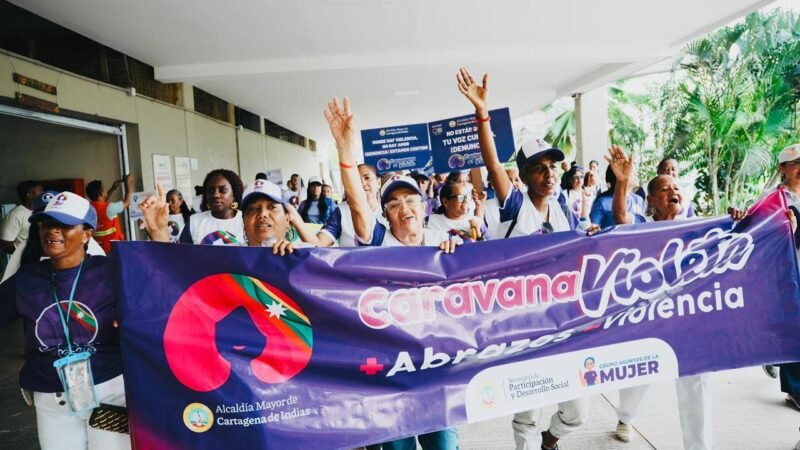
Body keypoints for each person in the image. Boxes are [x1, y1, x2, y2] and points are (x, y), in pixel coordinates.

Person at [457, 66, 591, 450]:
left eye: (553, 167)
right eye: (539, 168)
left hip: (565, 320)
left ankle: (552, 439)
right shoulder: (515, 205)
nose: (549, 174)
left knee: (578, 412)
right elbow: (493, 164)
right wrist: (483, 113)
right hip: (523, 324)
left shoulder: (564, 206)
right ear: (525, 174)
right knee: (527, 413)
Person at [325, 96, 459, 449]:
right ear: (385, 214)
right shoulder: (378, 241)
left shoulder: (441, 240)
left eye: (411, 200)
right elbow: (356, 203)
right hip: (391, 367)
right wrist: (346, 151)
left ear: (425, 205)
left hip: (438, 368)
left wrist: (456, 256)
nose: (404, 208)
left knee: (443, 445)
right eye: (394, 203)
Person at [605, 144, 746, 449]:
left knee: (697, 383)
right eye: (664, 188)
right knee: (637, 380)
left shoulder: (698, 229)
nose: (673, 190)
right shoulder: (641, 228)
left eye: (676, 186)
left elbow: (735, 237)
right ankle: (626, 417)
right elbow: (620, 218)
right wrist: (623, 183)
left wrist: (737, 218)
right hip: (648, 320)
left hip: (689, 319)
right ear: (651, 201)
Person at [0, 191, 128, 450]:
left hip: (109, 390)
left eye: (65, 225)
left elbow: (161, 303)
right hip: (51, 395)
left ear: (87, 234)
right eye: (47, 224)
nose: (53, 231)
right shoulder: (27, 280)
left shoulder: (112, 272)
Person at [141, 179, 309, 256]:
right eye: (252, 209)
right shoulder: (226, 258)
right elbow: (175, 273)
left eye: (272, 207)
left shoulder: (306, 256)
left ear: (288, 219)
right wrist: (158, 230)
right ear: (243, 222)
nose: (263, 214)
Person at [755, 144, 800, 411]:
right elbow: (759, 234)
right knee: (795, 330)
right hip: (785, 273)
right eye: (794, 163)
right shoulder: (772, 198)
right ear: (782, 168)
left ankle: (773, 356)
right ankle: (795, 389)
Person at [312, 164, 385, 248]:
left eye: (367, 178)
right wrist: (296, 219)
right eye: (356, 180)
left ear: (378, 183)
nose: (362, 183)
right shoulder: (341, 211)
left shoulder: (389, 209)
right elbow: (319, 243)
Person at [180, 169, 245, 245]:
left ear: (234, 194)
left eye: (223, 190)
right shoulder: (194, 221)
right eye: (210, 191)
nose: (215, 195)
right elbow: (182, 254)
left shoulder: (246, 220)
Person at [1, 180, 43, 281]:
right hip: (26, 265)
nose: (43, 193)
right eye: (40, 191)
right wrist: (24, 255)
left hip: (41, 264)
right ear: (29, 195)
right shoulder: (16, 214)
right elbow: (5, 243)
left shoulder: (40, 211)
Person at [85, 174, 134, 254]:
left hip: (99, 249)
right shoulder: (109, 208)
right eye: (104, 189)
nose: (105, 190)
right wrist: (129, 184)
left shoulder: (89, 208)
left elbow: (102, 203)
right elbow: (127, 202)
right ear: (101, 193)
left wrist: (112, 189)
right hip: (113, 249)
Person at [589, 164, 645, 229]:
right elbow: (592, 229)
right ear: (618, 177)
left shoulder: (638, 200)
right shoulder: (602, 202)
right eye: (632, 172)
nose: (636, 174)